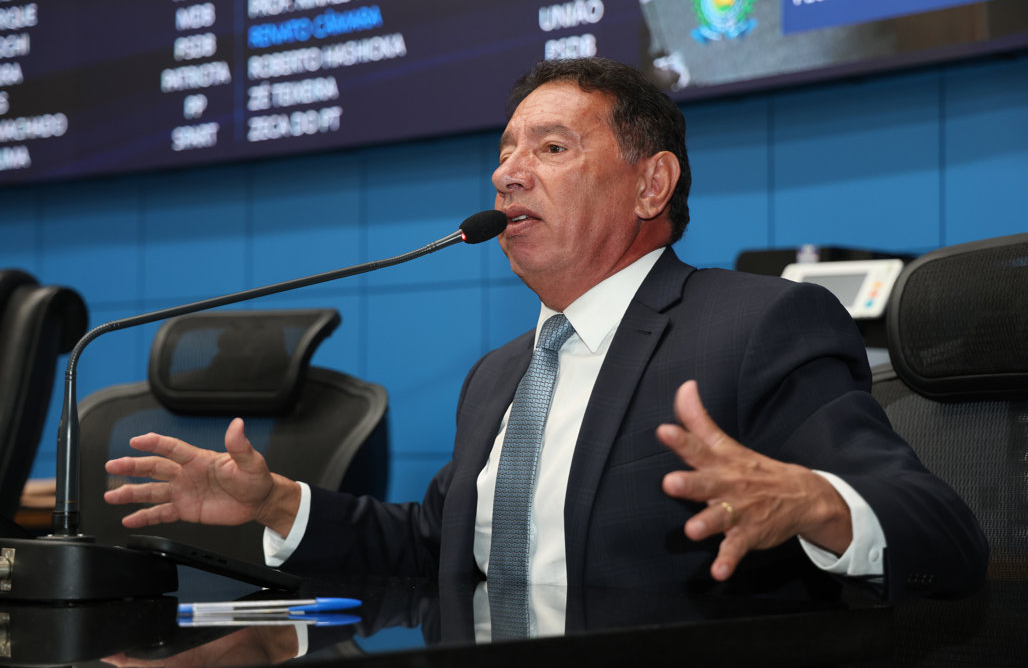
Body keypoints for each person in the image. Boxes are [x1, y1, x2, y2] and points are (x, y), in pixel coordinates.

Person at [105, 58, 987, 603]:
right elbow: (432, 547)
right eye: (505, 151)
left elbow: (940, 531)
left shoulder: (758, 325)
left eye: (551, 148)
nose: (507, 174)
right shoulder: (499, 374)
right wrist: (278, 503)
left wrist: (817, 502)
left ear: (651, 184)